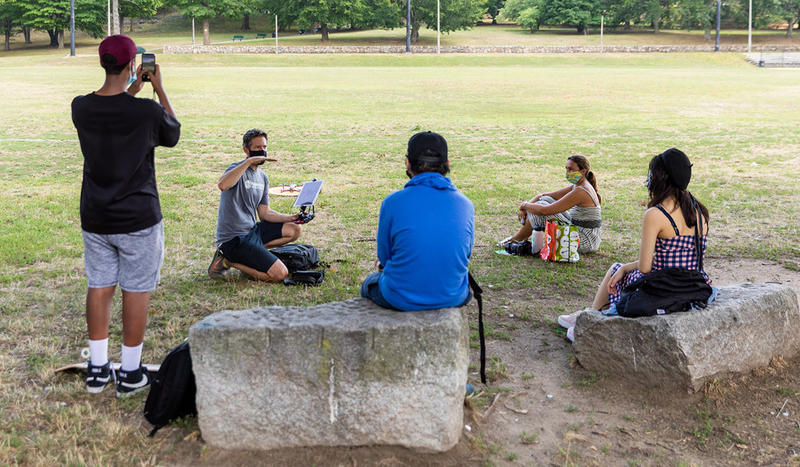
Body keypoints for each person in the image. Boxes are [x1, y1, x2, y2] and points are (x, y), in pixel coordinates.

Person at [71, 35, 180, 396]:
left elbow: (111, 111)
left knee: (99, 285)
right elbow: (172, 132)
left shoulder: (80, 107)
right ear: (134, 64)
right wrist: (158, 89)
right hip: (138, 218)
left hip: (96, 215)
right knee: (136, 290)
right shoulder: (146, 112)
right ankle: (131, 373)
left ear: (103, 63)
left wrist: (130, 89)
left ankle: (98, 369)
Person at [559, 148, 711, 342]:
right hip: (692, 285)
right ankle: (590, 314)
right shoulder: (699, 210)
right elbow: (677, 256)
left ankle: (591, 318)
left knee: (615, 271)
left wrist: (623, 268)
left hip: (664, 288)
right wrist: (626, 267)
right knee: (620, 269)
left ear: (659, 177)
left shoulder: (656, 214)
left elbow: (646, 267)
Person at [361, 131, 474, 311]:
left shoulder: (392, 202)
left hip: (399, 297)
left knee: (369, 283)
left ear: (407, 163)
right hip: (453, 295)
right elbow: (464, 254)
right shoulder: (465, 204)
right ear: (447, 164)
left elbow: (384, 257)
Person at [207, 129, 302, 282]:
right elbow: (223, 185)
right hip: (234, 239)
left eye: (264, 147)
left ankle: (252, 258)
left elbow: (265, 214)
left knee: (294, 229)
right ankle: (228, 260)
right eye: (257, 148)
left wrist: (293, 217)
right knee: (280, 274)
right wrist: (248, 162)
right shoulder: (236, 169)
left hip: (252, 231)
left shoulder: (262, 177)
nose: (262, 151)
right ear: (246, 149)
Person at [500, 155, 602, 255]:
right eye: (566, 169)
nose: (567, 172)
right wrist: (525, 207)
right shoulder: (578, 185)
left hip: (585, 241)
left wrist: (525, 205)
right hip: (577, 229)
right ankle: (520, 238)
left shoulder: (581, 191)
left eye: (571, 169)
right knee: (544, 200)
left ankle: (517, 239)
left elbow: (545, 211)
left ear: (583, 171)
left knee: (539, 211)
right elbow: (544, 196)